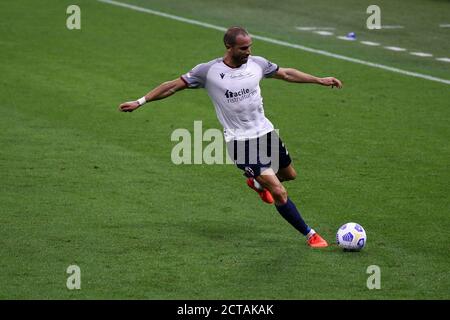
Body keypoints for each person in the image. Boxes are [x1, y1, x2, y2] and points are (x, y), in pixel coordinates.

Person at [119, 26, 343, 248]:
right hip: (239, 142)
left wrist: (319, 80)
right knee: (278, 191)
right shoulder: (208, 71)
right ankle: (310, 234)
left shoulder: (257, 64)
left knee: (289, 175)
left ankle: (256, 182)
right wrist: (140, 102)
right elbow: (172, 87)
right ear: (229, 46)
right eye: (243, 48)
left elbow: (286, 73)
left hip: (265, 132)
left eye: (250, 47)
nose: (248, 52)